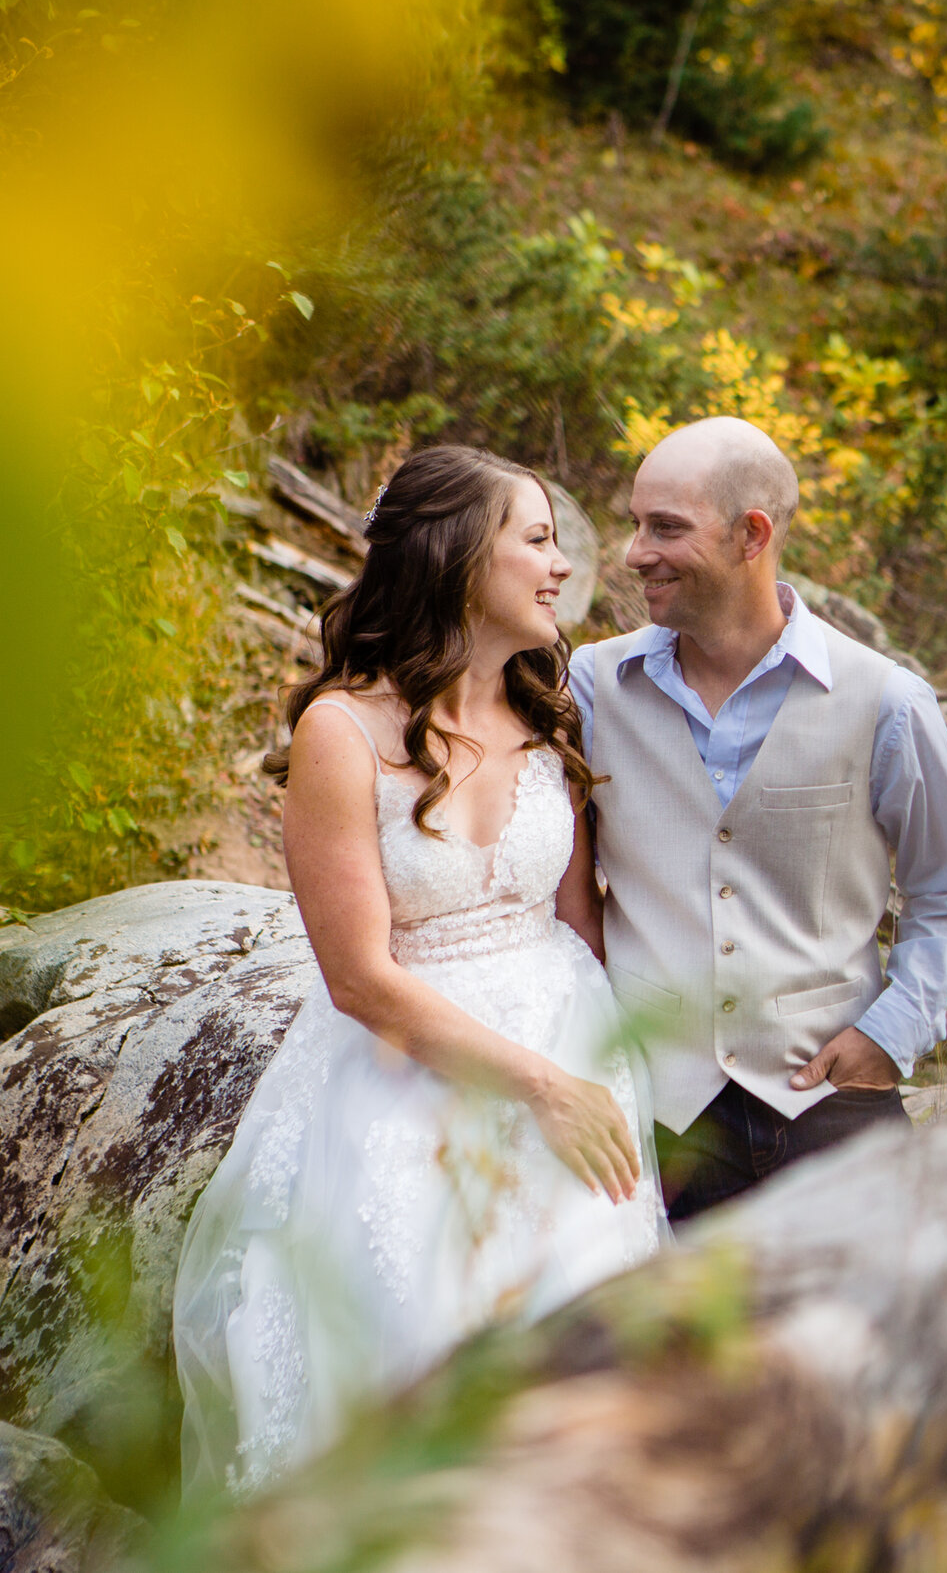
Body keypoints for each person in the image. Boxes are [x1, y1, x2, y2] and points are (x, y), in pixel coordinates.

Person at [171, 447, 664, 1499]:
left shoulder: (547, 711)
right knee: (417, 1377)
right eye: (535, 539)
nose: (559, 566)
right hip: (411, 1087)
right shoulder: (340, 733)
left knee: (581, 1383)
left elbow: (580, 921)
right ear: (456, 555)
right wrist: (542, 1087)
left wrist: (621, 1076)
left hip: (571, 1057)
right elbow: (357, 977)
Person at [570, 416, 947, 1221]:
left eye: (665, 527)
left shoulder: (885, 702)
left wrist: (892, 1032)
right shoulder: (593, 688)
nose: (634, 553)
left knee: (868, 1342)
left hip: (830, 1106)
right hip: (660, 1123)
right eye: (635, 525)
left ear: (750, 535)